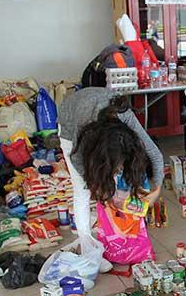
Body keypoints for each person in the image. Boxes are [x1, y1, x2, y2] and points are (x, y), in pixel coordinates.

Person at [58, 88, 164, 238]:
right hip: (71, 120)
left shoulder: (125, 116)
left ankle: (113, 233)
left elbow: (155, 154)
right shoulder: (84, 129)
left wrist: (157, 190)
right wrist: (96, 186)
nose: (119, 169)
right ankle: (86, 242)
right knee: (82, 190)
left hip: (100, 105)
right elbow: (76, 159)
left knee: (111, 184)